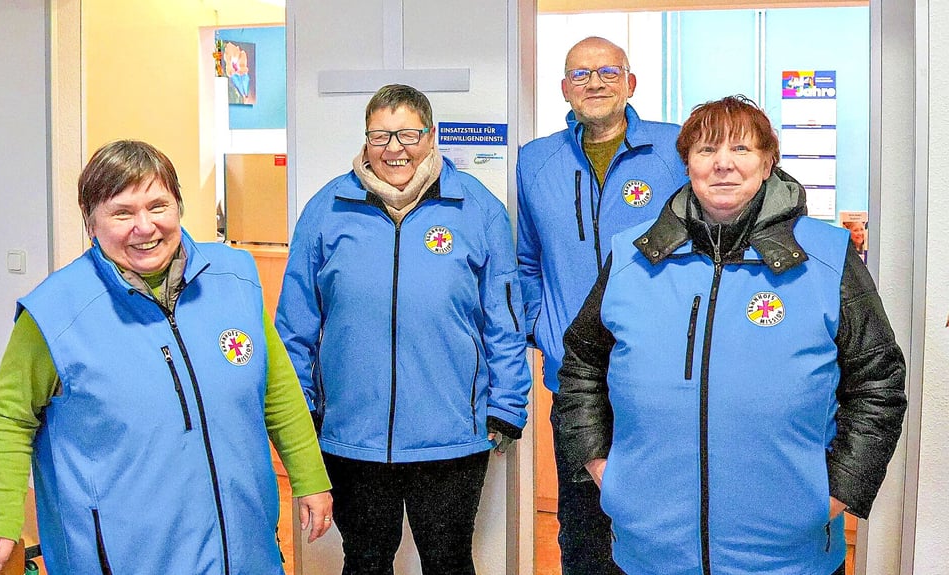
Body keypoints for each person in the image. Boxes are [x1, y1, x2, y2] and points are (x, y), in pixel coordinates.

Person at [555, 96, 907, 575]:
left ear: (767, 163)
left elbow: (878, 382)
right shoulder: (631, 257)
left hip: (787, 556)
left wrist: (838, 490)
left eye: (741, 148)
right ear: (688, 165)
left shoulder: (827, 258)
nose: (723, 163)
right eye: (705, 150)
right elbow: (582, 362)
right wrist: (601, 468)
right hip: (650, 553)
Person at [0, 140, 333, 574]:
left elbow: (275, 387)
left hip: (245, 548)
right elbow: (9, 417)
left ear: (178, 206)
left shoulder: (235, 277)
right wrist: (1, 516)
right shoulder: (55, 314)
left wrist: (310, 476)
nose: (145, 227)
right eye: (122, 212)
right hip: (126, 558)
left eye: (158, 206)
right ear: (91, 223)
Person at [276, 84, 531, 575]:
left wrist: (507, 405)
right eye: (381, 135)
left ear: (432, 136)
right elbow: (295, 325)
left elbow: (505, 320)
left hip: (452, 436)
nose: (395, 148)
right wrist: (301, 409)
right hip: (353, 436)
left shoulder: (476, 208)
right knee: (366, 562)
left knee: (449, 561)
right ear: (366, 140)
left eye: (408, 134)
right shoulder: (326, 210)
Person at [515, 36, 687, 574]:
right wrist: (542, 329)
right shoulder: (534, 161)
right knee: (584, 526)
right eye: (580, 74)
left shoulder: (676, 149)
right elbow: (526, 262)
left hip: (659, 374)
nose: (594, 83)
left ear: (630, 83)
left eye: (608, 72)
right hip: (575, 382)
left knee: (661, 518)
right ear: (564, 88)